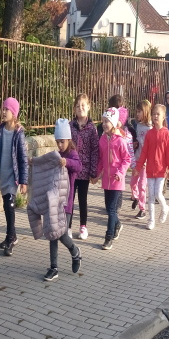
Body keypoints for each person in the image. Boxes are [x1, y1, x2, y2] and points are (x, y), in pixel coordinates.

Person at [38, 119, 82, 281]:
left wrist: (67, 162)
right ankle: (53, 267)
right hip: (54, 202)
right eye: (57, 142)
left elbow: (78, 166)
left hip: (66, 203)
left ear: (69, 139)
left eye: (62, 141)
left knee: (62, 234)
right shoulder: (57, 154)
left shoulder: (72, 154)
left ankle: (75, 251)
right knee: (52, 234)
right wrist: (35, 163)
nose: (60, 145)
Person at [0, 97, 28, 256]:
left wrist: (24, 181)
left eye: (7, 109)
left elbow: (23, 158)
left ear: (14, 113)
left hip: (13, 176)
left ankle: (11, 238)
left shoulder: (18, 133)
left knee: (10, 204)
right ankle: (11, 236)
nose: (3, 111)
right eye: (3, 108)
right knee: (6, 205)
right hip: (3, 174)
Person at [91, 108, 131, 250]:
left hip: (116, 180)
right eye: (103, 121)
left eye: (107, 121)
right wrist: (96, 175)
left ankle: (108, 237)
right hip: (106, 180)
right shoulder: (102, 139)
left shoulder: (120, 140)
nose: (104, 124)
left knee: (112, 210)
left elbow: (127, 159)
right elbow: (101, 160)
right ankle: (117, 224)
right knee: (109, 208)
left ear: (113, 123)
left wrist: (120, 173)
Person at [136, 104, 169, 230]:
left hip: (161, 170)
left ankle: (165, 208)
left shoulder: (167, 134)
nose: (155, 116)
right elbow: (144, 152)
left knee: (158, 193)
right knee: (151, 196)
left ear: (163, 117)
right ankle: (151, 219)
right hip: (150, 170)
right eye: (153, 114)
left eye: (158, 114)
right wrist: (138, 166)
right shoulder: (149, 134)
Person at [69, 94, 99, 240]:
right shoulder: (70, 126)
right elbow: (66, 145)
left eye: (83, 105)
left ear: (88, 107)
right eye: (77, 106)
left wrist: (93, 172)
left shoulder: (92, 128)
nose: (80, 108)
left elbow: (95, 150)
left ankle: (83, 226)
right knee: (69, 199)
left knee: (83, 199)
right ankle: (67, 226)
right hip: (71, 169)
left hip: (85, 170)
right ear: (74, 109)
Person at [130, 100, 151, 219]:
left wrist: (147, 160)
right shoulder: (138, 125)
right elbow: (138, 141)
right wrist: (135, 144)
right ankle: (136, 197)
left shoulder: (150, 128)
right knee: (133, 183)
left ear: (146, 112)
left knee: (142, 185)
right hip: (137, 159)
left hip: (145, 162)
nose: (137, 114)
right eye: (137, 111)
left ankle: (142, 209)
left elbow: (150, 146)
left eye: (139, 112)